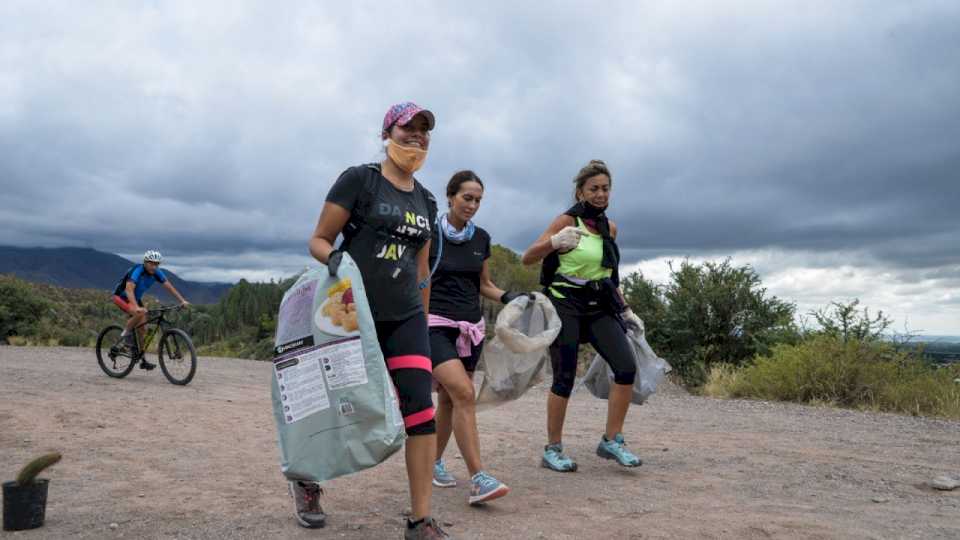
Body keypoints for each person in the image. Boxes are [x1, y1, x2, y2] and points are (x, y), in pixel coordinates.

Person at [307, 102, 450, 539]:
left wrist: (423, 325)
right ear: (388, 131)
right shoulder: (360, 180)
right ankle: (307, 481)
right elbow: (318, 239)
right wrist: (336, 262)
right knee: (334, 408)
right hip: (351, 314)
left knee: (420, 410)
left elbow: (421, 272)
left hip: (404, 317)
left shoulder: (426, 199)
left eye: (425, 130)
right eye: (409, 128)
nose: (417, 136)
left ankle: (419, 520)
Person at [520, 159, 642, 472]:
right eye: (594, 189)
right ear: (580, 192)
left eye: (605, 188)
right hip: (564, 303)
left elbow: (610, 276)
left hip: (599, 304)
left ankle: (612, 440)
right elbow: (527, 258)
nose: (601, 194)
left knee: (626, 367)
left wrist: (626, 310)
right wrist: (554, 242)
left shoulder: (609, 228)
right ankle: (553, 448)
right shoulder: (565, 221)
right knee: (564, 375)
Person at [428, 170, 521, 505]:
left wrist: (510, 297)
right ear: (450, 196)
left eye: (478, 199)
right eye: (467, 197)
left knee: (451, 400)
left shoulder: (481, 238)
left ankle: (432, 462)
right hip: (434, 325)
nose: (472, 204)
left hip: (470, 329)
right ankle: (479, 478)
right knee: (465, 394)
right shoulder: (429, 234)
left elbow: (483, 284)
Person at [111, 250, 190, 370]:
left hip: (135, 299)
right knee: (138, 313)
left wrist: (182, 300)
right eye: (151, 263)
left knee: (143, 329)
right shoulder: (137, 271)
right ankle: (125, 339)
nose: (154, 266)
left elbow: (169, 287)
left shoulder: (157, 273)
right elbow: (129, 290)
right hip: (121, 297)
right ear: (145, 262)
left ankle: (142, 359)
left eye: (156, 264)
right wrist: (135, 307)